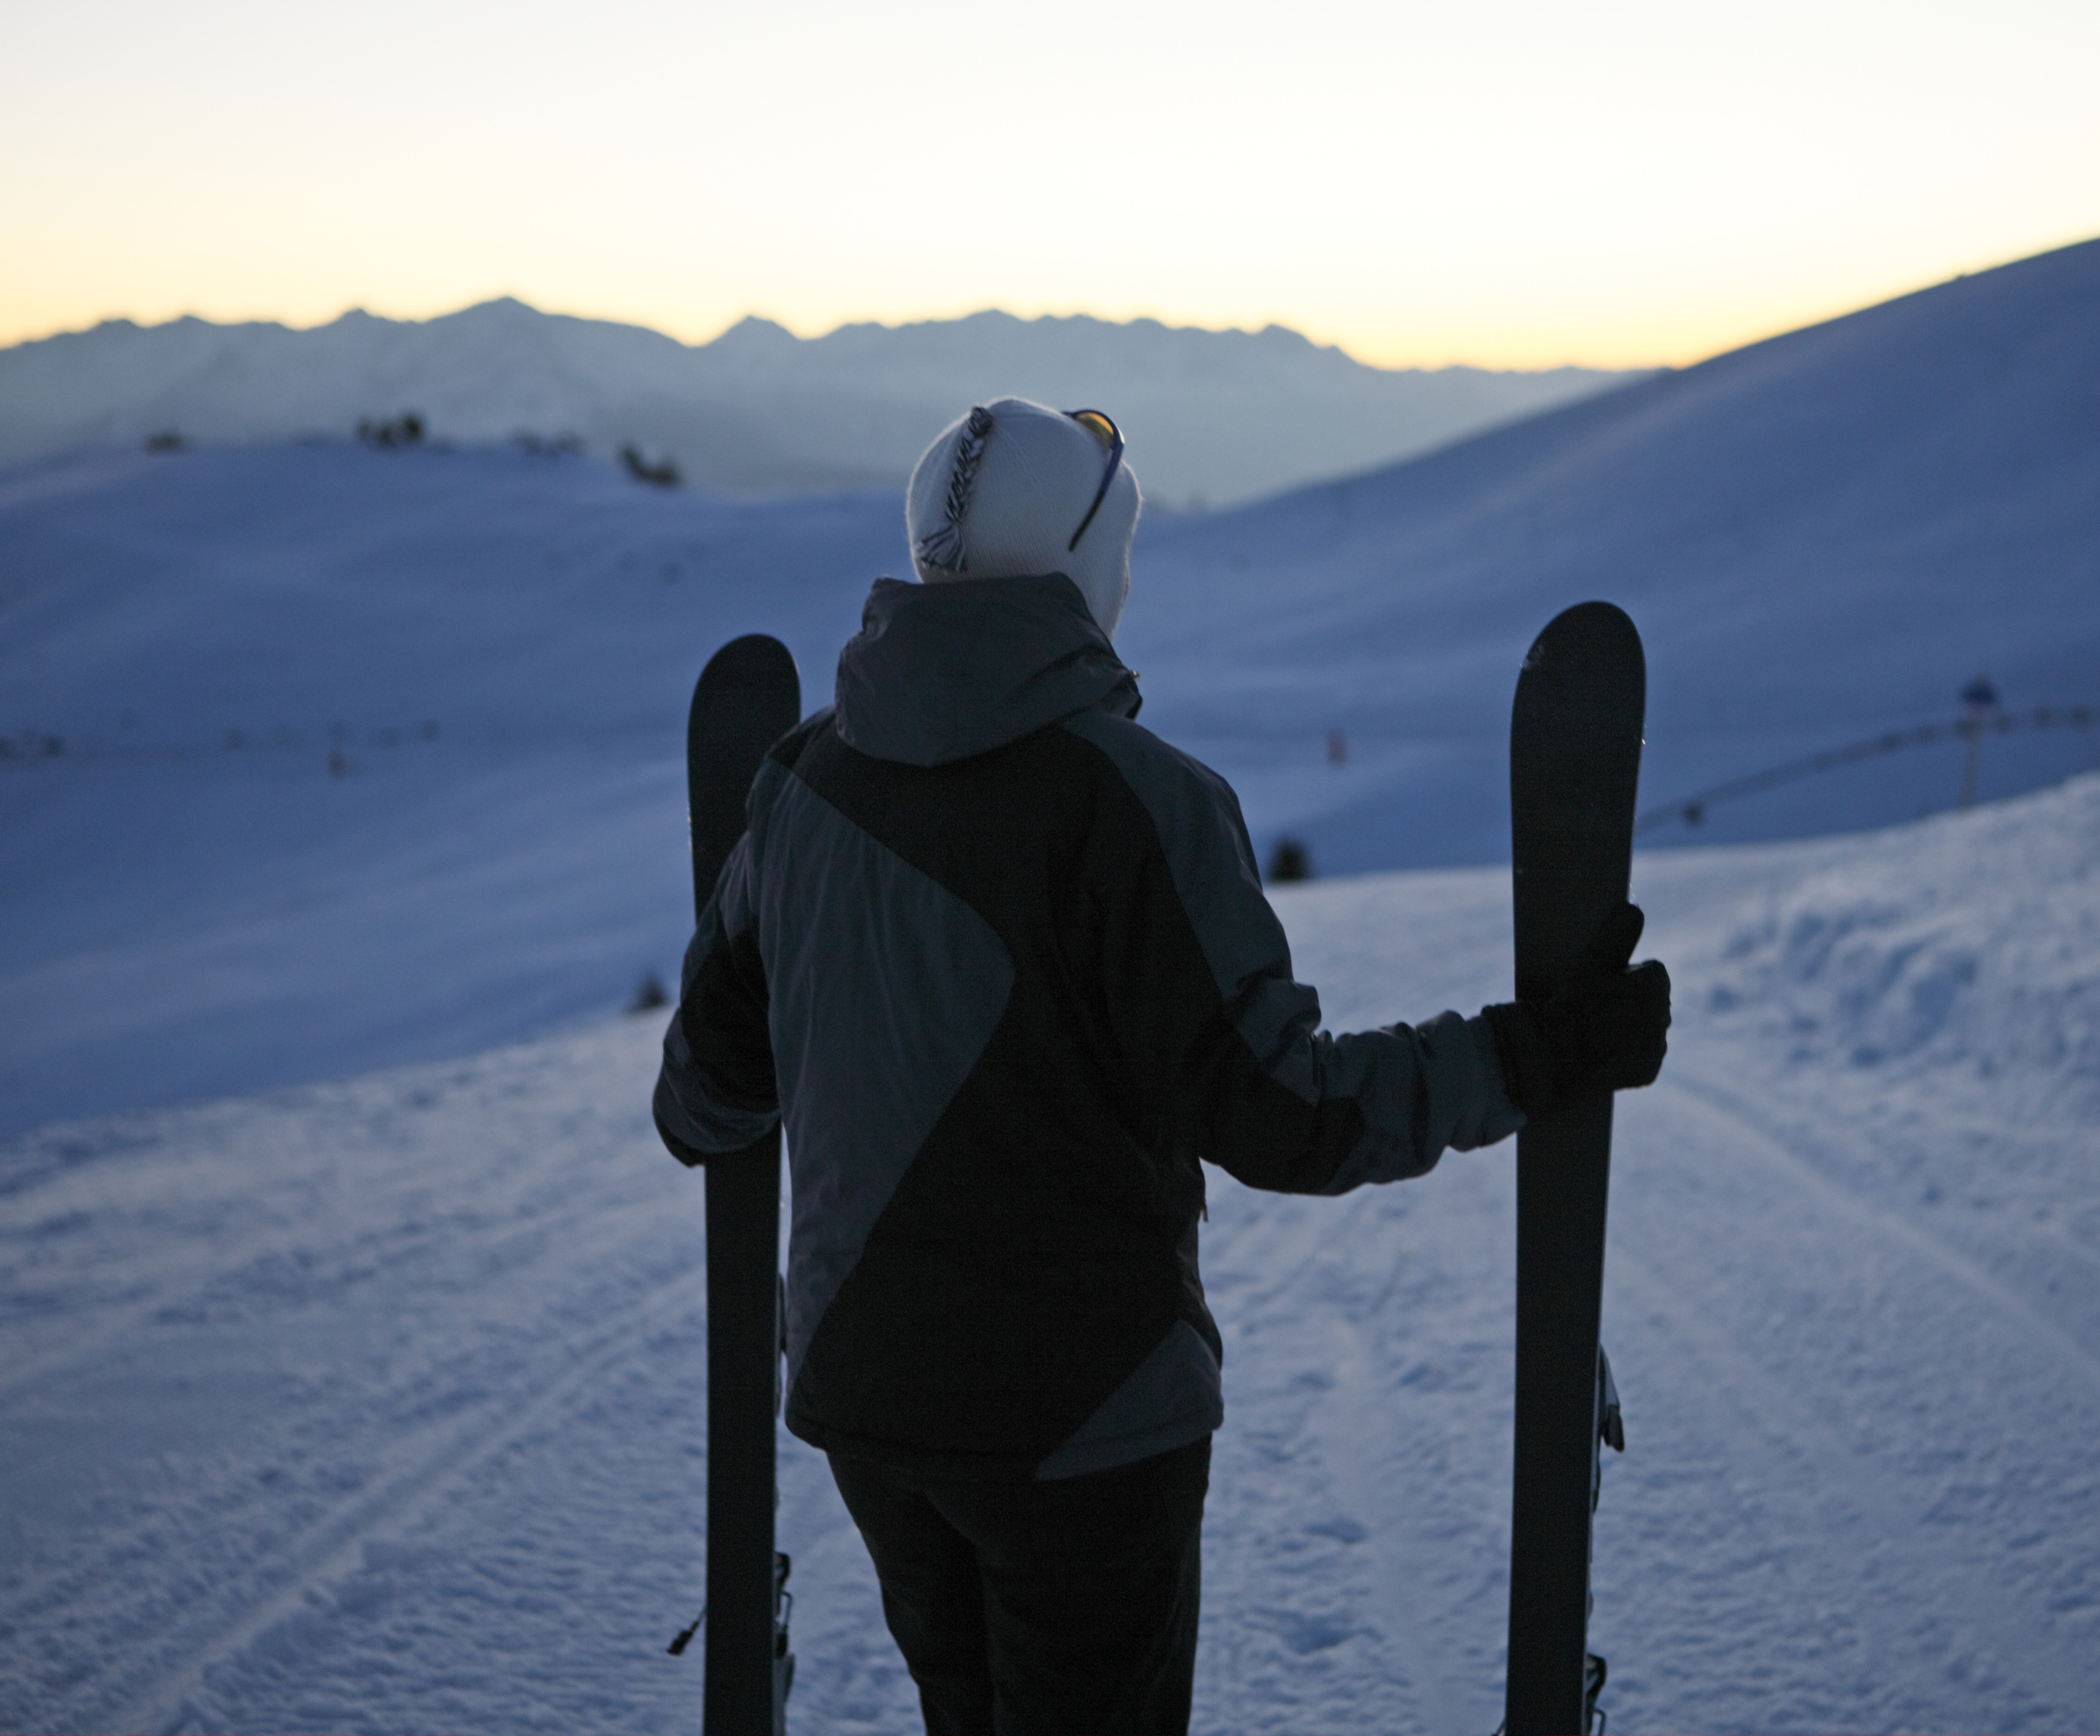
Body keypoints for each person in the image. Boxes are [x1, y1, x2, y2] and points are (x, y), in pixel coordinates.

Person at [652, 397, 1669, 1735]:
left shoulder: (796, 786)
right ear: (1087, 566)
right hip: (1083, 1424)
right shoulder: (1133, 800)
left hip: (870, 1411)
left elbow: (703, 1101)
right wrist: (1534, 1055)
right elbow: (1286, 1117)